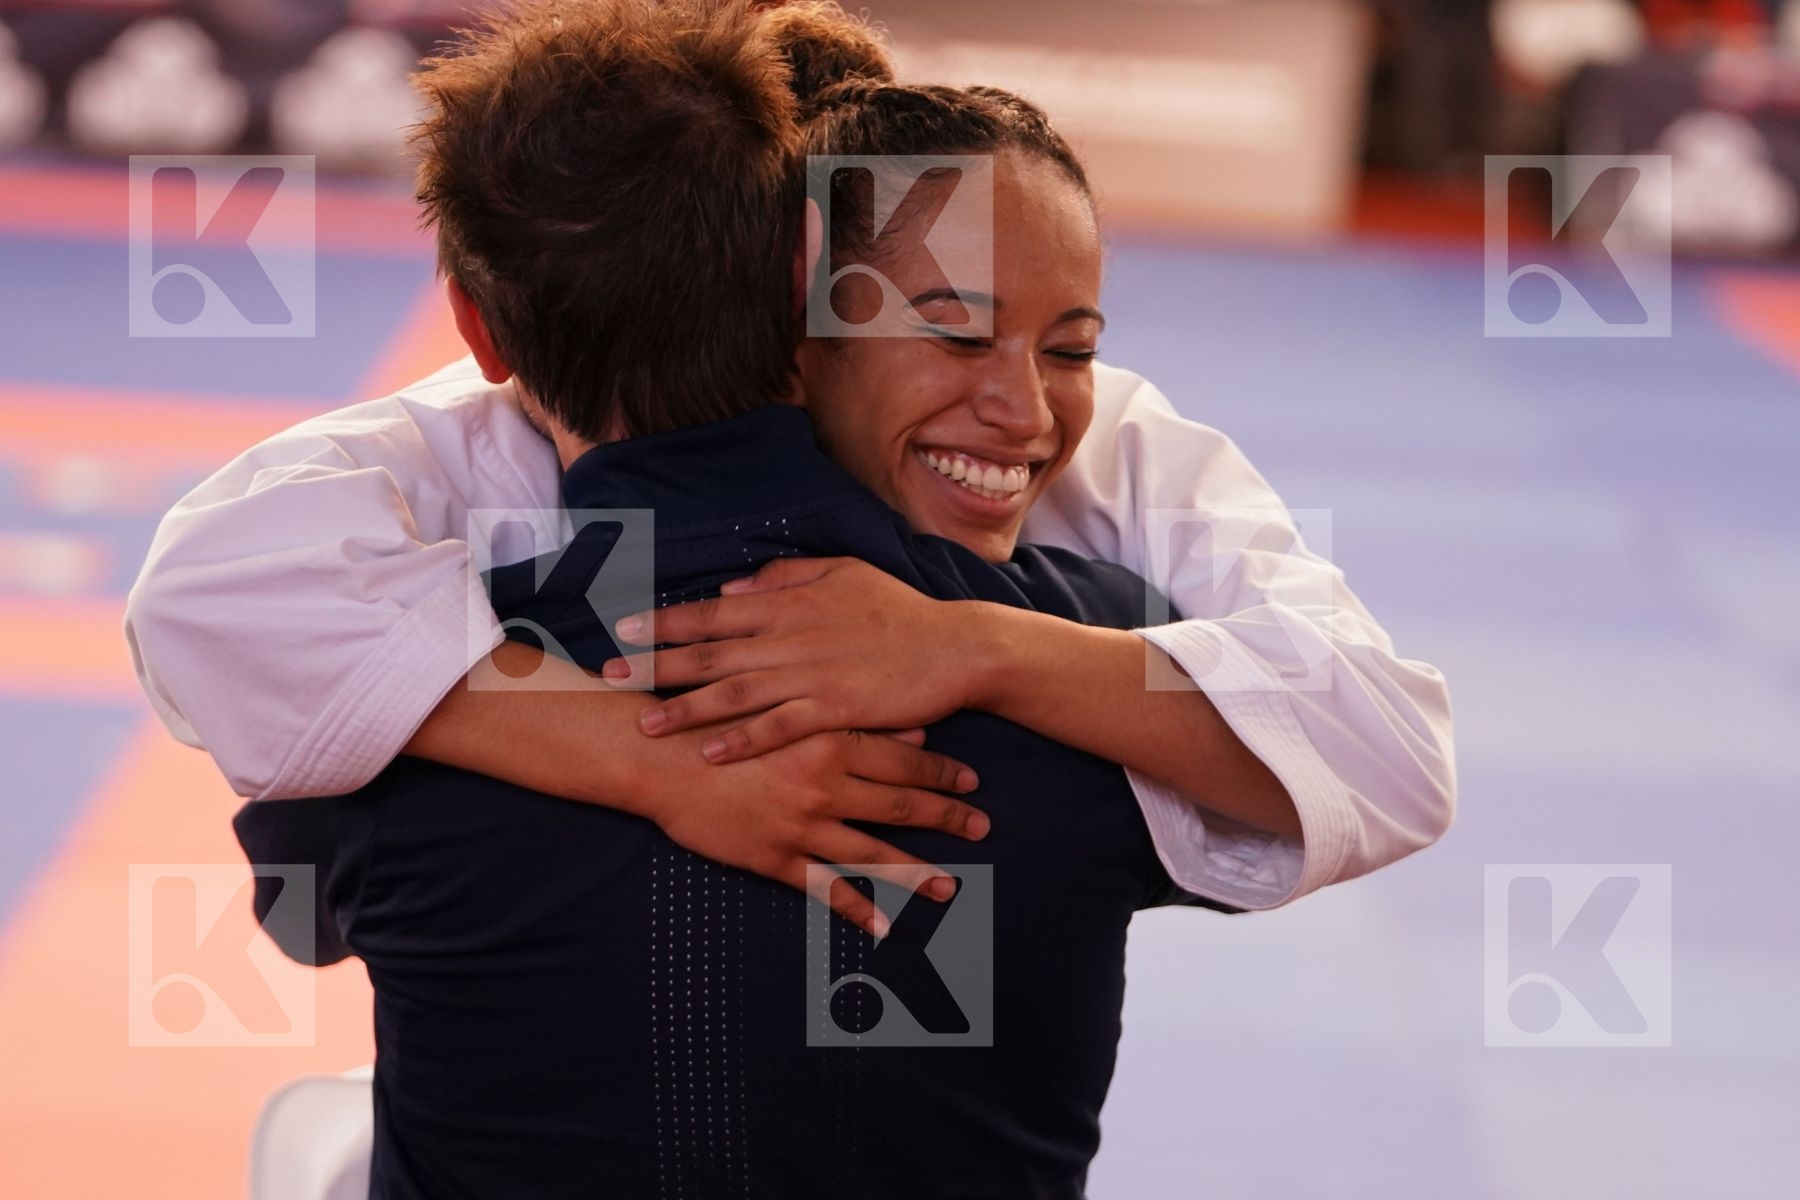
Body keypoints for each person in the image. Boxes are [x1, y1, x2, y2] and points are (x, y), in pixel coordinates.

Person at [126, 1, 1454, 931]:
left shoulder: (1091, 443)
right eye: (941, 324)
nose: (1016, 407)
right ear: (798, 308)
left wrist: (976, 644)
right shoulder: (519, 437)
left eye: (1065, 344)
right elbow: (198, 597)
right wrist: (647, 758)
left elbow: (1394, 752)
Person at [232, 3, 1253, 1193]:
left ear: (478, 327)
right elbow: (1321, 781)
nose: (1026, 407)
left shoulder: (380, 690)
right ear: (821, 294)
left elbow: (299, 921)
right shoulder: (1113, 657)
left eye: (1066, 350)